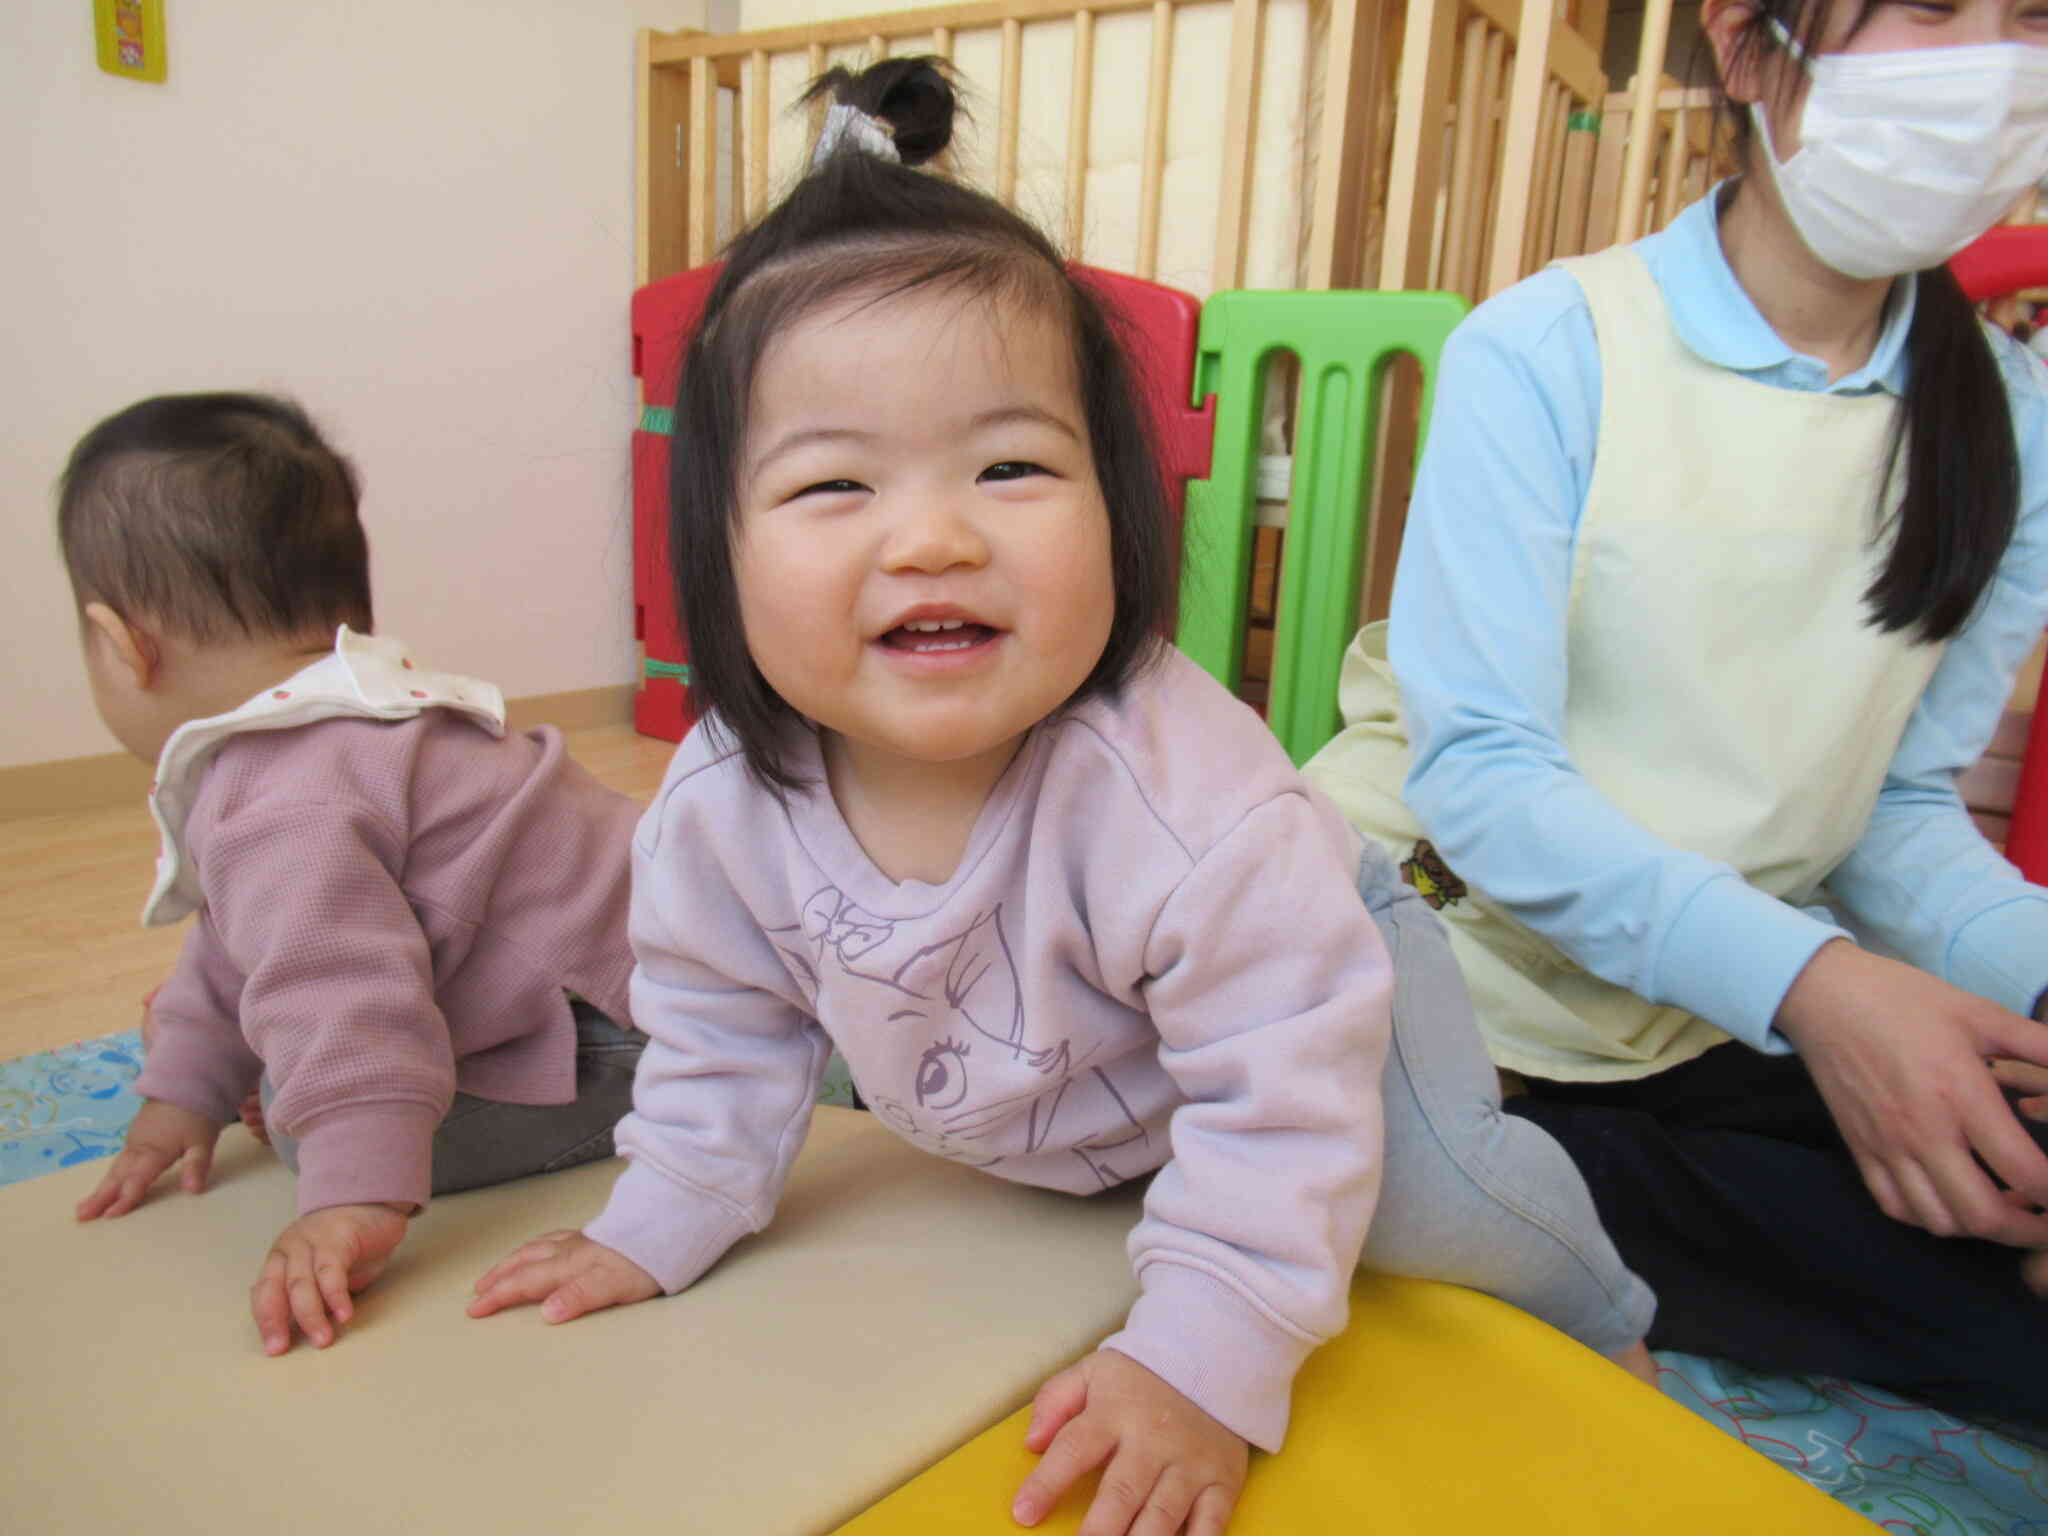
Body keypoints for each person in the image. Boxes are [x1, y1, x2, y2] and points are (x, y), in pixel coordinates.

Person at [465, 57, 1657, 1536]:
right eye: (836, 488)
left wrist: (1207, 1357)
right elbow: (722, 1037)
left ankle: (1608, 1305)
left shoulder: (1182, 801)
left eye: (1013, 465)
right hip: (1081, 1088)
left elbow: (1279, 1101)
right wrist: (655, 1227)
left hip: (1302, 993)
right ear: (713, 550)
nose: (933, 538)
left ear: (1122, 504)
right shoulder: (718, 805)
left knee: (1425, 1205)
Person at [1303, 0, 2048, 1437]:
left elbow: (1899, 816)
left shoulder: (2011, 420)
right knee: (1387, 1164)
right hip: (1445, 984)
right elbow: (1489, 789)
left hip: (1711, 1015)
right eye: (1939, 8)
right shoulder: (1551, 348)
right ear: (1753, 43)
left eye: (2030, 17)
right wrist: (1827, 994)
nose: (1997, 62)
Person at [63, 392, 645, 1358]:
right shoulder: (352, 712)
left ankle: (730, 1092)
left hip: (635, 1022)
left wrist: (350, 1201)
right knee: (271, 1050)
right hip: (645, 946)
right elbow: (236, 943)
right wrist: (184, 1095)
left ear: (124, 646)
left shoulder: (278, 797)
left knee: (317, 1123)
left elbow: (344, 997)